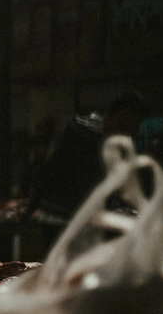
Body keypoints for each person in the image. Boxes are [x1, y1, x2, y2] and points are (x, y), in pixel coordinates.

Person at [27, 91, 150, 221]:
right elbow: (52, 168)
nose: (136, 128)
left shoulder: (108, 141)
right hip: (62, 216)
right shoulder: (80, 134)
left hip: (76, 217)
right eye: (137, 121)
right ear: (124, 114)